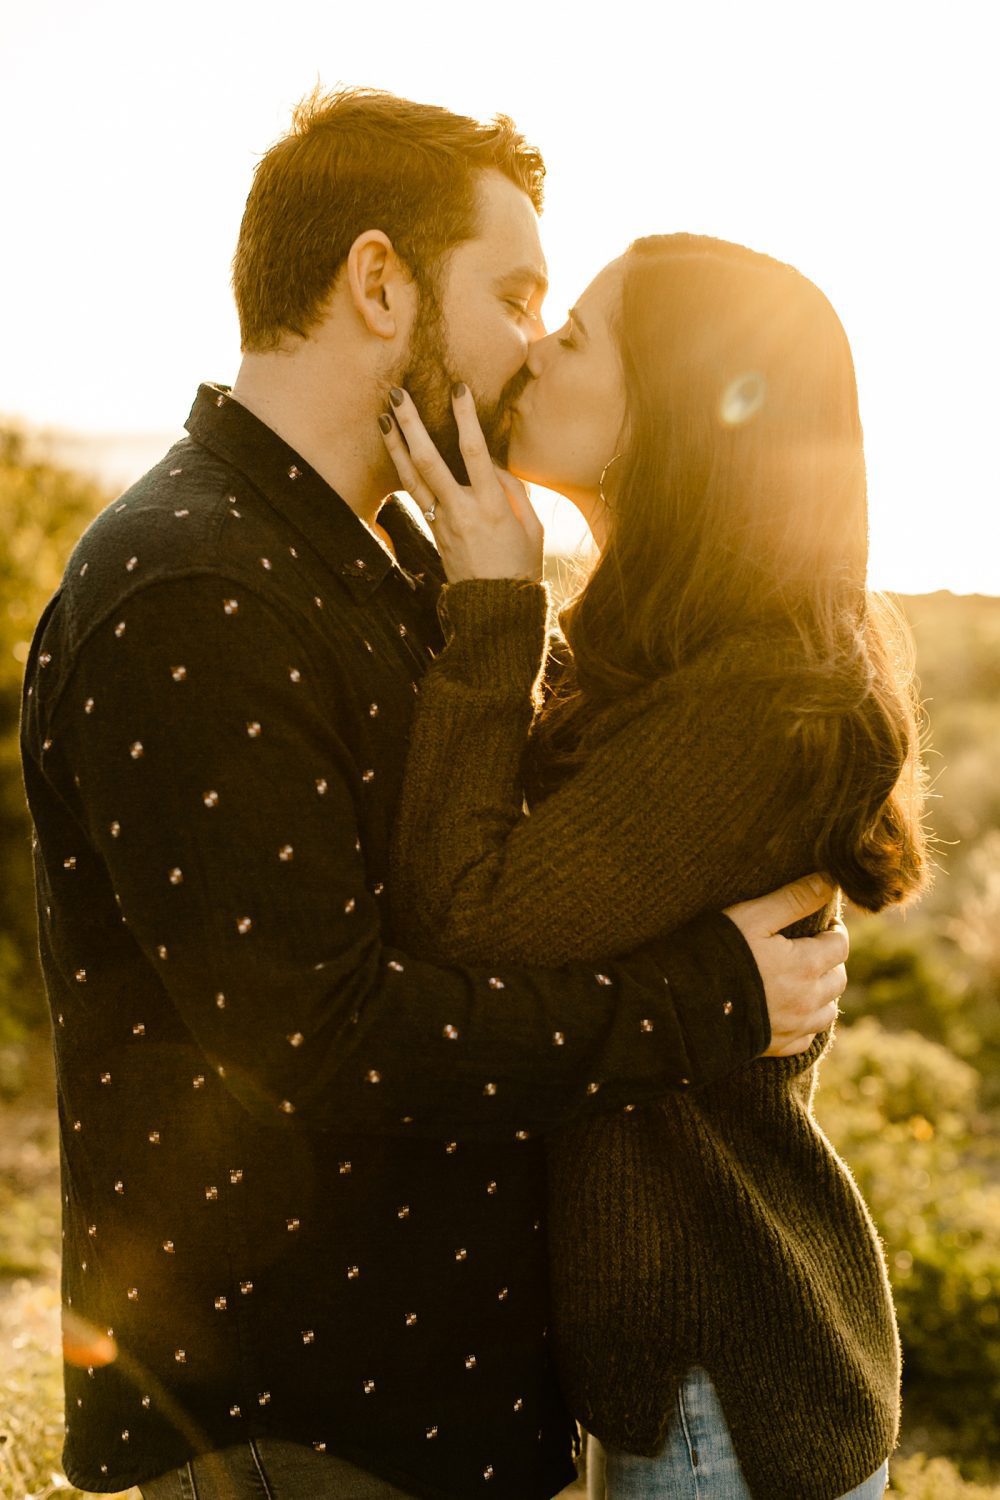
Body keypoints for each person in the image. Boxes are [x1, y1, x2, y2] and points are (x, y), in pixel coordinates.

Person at [19, 90, 847, 1500]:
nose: (536, 340)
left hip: (445, 1419)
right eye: (516, 292)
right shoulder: (196, 587)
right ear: (380, 279)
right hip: (297, 1423)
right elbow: (320, 1043)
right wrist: (706, 999)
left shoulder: (399, 554)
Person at [381, 235, 929, 1500]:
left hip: (722, 1388)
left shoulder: (753, 704)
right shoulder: (670, 648)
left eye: (571, 335)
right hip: (697, 1369)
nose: (533, 352)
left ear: (670, 412)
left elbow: (471, 912)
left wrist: (490, 613)